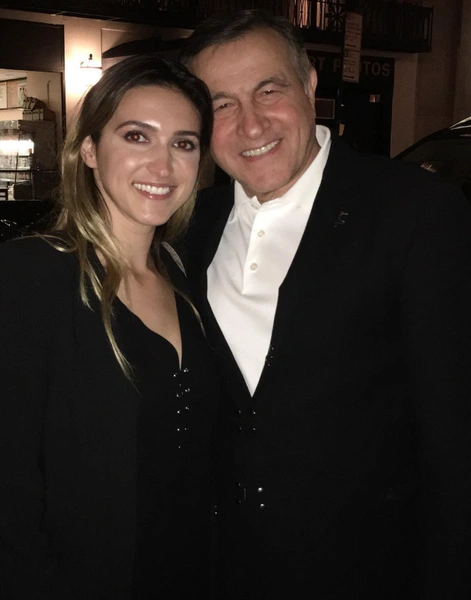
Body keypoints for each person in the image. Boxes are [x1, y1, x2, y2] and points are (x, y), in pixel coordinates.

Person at [179, 9, 471, 600]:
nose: (251, 123)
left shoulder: (414, 211)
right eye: (222, 104)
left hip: (372, 570)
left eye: (269, 90)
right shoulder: (191, 226)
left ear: (309, 84)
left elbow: (454, 432)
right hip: (227, 567)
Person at [0, 54, 219, 599]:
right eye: (137, 137)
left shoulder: (187, 274)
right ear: (90, 150)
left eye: (184, 143)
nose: (163, 165)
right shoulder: (32, 275)